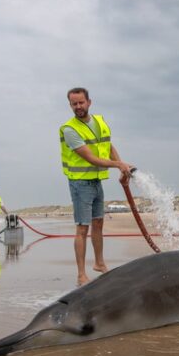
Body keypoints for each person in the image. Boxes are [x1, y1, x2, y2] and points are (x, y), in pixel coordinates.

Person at [60, 87, 134, 286]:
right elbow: (91, 158)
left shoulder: (100, 121)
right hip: (80, 184)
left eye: (81, 102)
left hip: (96, 181)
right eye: (74, 104)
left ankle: (99, 263)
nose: (78, 107)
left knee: (98, 223)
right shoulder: (69, 129)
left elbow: (108, 146)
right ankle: (81, 274)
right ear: (70, 105)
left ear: (89, 102)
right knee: (82, 228)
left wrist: (121, 164)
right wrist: (118, 165)